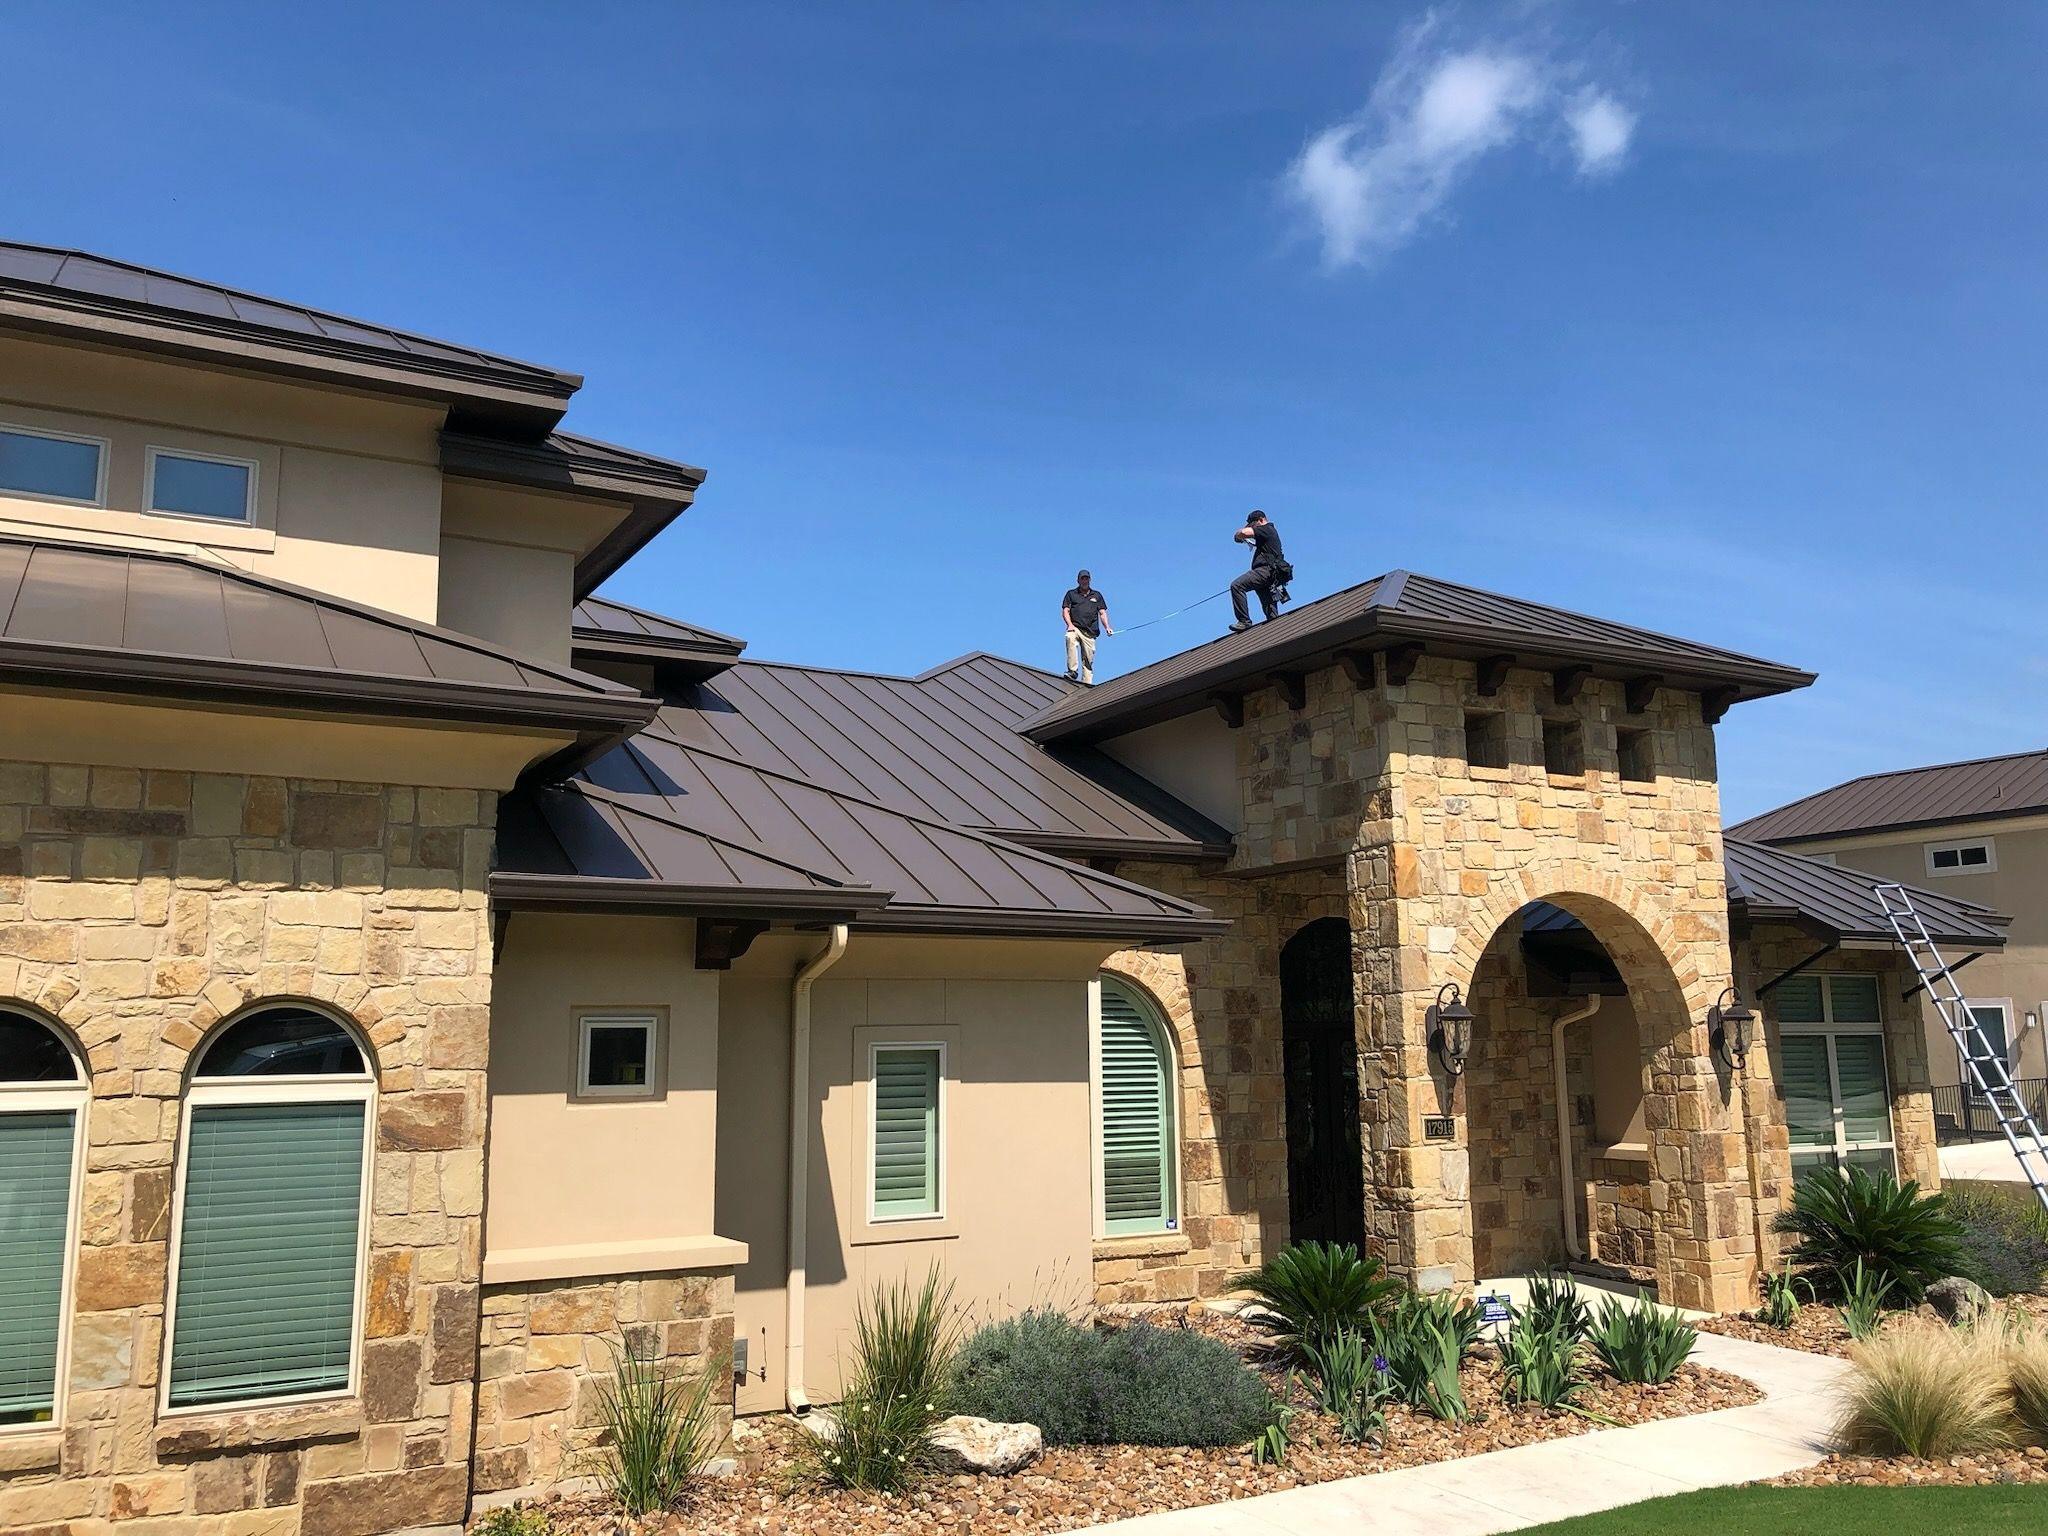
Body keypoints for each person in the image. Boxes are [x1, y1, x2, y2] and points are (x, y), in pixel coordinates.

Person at [1229, 510, 1291, 631]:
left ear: (1261, 520)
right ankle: (1276, 630)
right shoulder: (1267, 533)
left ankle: (1244, 621)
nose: (1253, 528)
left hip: (1265, 571)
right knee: (1270, 610)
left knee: (1237, 586)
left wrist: (1239, 535)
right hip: (1271, 574)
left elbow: (1242, 533)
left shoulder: (1266, 529)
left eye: (1253, 525)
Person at [1061, 570, 1111, 683]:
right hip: (1076, 627)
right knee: (1070, 637)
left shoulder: (1097, 595)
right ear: (1078, 580)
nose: (1084, 581)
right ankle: (1073, 671)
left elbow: (1102, 612)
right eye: (1082, 579)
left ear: (1089, 580)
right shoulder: (1071, 594)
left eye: (1086, 578)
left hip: (1090, 632)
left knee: (1088, 660)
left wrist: (1107, 627)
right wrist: (1069, 625)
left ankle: (1086, 684)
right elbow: (1065, 610)